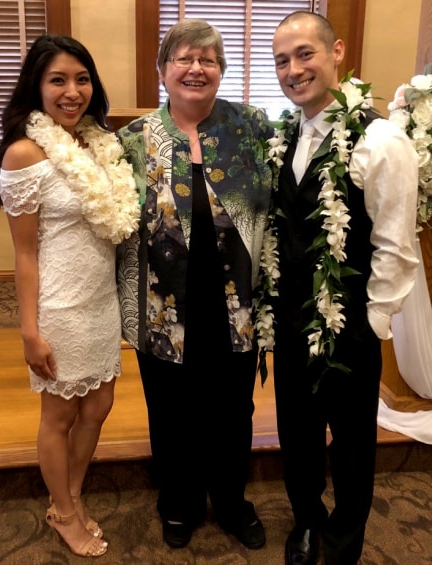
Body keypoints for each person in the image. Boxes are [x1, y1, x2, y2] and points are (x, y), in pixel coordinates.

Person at [268, 12, 419, 565]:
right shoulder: (286, 134)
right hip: (290, 319)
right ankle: (306, 519)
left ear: (337, 52)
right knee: (297, 431)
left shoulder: (381, 139)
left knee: (352, 443)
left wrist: (372, 323)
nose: (293, 69)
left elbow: (397, 244)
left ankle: (345, 539)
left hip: (350, 321)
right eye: (281, 60)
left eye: (304, 54)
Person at [116, 19, 273, 551]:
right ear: (163, 70)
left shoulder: (252, 127)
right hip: (162, 303)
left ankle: (231, 500)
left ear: (221, 72)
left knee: (234, 408)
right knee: (171, 408)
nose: (196, 68)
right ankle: (178, 502)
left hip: (236, 301)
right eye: (184, 58)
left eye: (208, 60)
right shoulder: (133, 140)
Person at [0, 34, 139, 558]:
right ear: (37, 86)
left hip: (99, 300)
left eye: (82, 79)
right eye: (58, 80)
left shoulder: (96, 143)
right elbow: (25, 254)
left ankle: (71, 493)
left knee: (99, 403)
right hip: (58, 306)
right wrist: (30, 331)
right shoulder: (25, 153)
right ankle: (62, 510)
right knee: (58, 416)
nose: (72, 91)